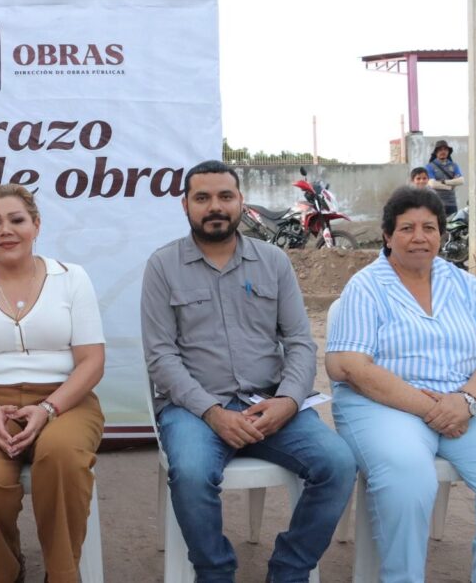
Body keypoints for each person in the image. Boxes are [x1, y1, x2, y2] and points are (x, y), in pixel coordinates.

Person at [141, 160, 356, 583]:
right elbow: (161, 357)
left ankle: (289, 571)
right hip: (195, 410)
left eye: (225, 196)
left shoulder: (273, 261)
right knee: (192, 473)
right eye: (202, 198)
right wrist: (211, 412)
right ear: (185, 205)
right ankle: (215, 573)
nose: (214, 207)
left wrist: (288, 401)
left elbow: (298, 341)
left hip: (270, 404)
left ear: (241, 202)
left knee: (338, 463)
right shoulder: (163, 266)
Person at [326, 186, 476, 582]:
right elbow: (350, 366)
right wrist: (434, 409)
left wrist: (465, 402)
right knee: (408, 479)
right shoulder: (366, 286)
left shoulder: (464, 284)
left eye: (429, 228)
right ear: (387, 235)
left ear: (441, 235)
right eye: (407, 227)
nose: (419, 237)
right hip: (384, 405)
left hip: (466, 402)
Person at [0, 183, 105, 583]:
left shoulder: (72, 279)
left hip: (64, 399)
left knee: (61, 456)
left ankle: (62, 574)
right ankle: (7, 566)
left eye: (16, 220)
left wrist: (48, 409)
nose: (5, 230)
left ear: (36, 225)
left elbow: (92, 361)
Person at [426, 139, 465, 216]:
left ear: (448, 152)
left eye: (445, 149)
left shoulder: (454, 165)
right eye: (440, 150)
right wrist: (451, 186)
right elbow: (432, 184)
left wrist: (444, 182)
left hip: (452, 203)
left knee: (452, 226)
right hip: (436, 203)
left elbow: (461, 181)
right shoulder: (429, 166)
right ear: (436, 152)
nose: (443, 152)